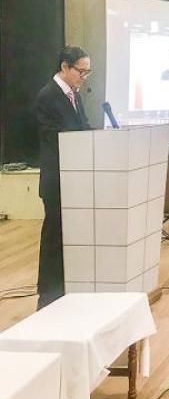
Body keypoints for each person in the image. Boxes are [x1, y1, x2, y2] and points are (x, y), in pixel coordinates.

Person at [34, 45, 92, 309]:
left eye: (87, 72)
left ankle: (69, 289)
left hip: (75, 179)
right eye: (81, 71)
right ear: (65, 67)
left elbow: (83, 128)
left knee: (73, 237)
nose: (84, 77)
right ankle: (48, 295)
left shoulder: (74, 94)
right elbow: (53, 137)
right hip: (57, 180)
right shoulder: (47, 96)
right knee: (54, 238)